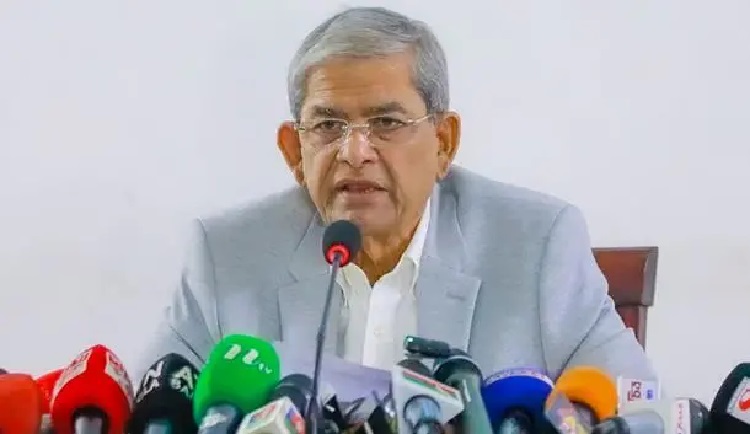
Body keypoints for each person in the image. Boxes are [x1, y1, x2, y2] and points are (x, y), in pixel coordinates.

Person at [134, 6, 655, 384]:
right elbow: (151, 413)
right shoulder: (225, 257)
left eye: (386, 122)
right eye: (328, 125)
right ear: (294, 151)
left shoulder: (538, 247)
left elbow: (639, 415)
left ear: (443, 142)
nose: (354, 152)